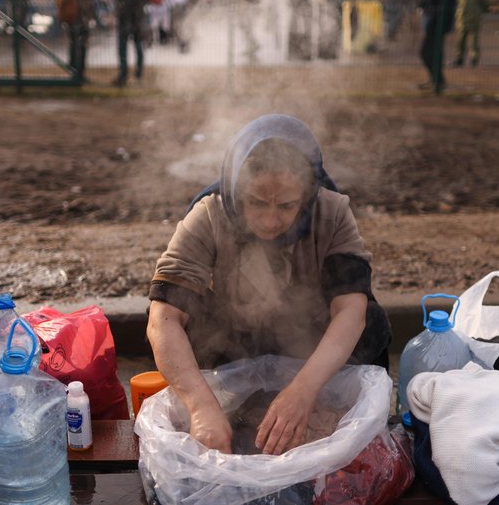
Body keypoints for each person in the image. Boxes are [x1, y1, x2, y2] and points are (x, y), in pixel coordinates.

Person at [146, 114, 392, 456]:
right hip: (236, 339)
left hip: (306, 338)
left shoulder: (332, 212)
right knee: (187, 325)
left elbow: (350, 311)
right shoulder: (209, 214)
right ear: (235, 191)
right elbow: (164, 317)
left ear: (306, 198)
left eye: (287, 206)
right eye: (256, 202)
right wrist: (201, 406)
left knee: (373, 322)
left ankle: (334, 410)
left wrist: (302, 393)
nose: (270, 220)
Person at [113, 0, 148, 87]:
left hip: (129, 16)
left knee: (126, 46)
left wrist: (122, 7)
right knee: (136, 45)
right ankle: (135, 74)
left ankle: (125, 74)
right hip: (135, 16)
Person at [453, 0, 489, 66]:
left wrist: (482, 11)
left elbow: (485, 2)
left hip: (473, 19)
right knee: (460, 41)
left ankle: (474, 59)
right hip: (462, 19)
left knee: (473, 41)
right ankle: (460, 58)